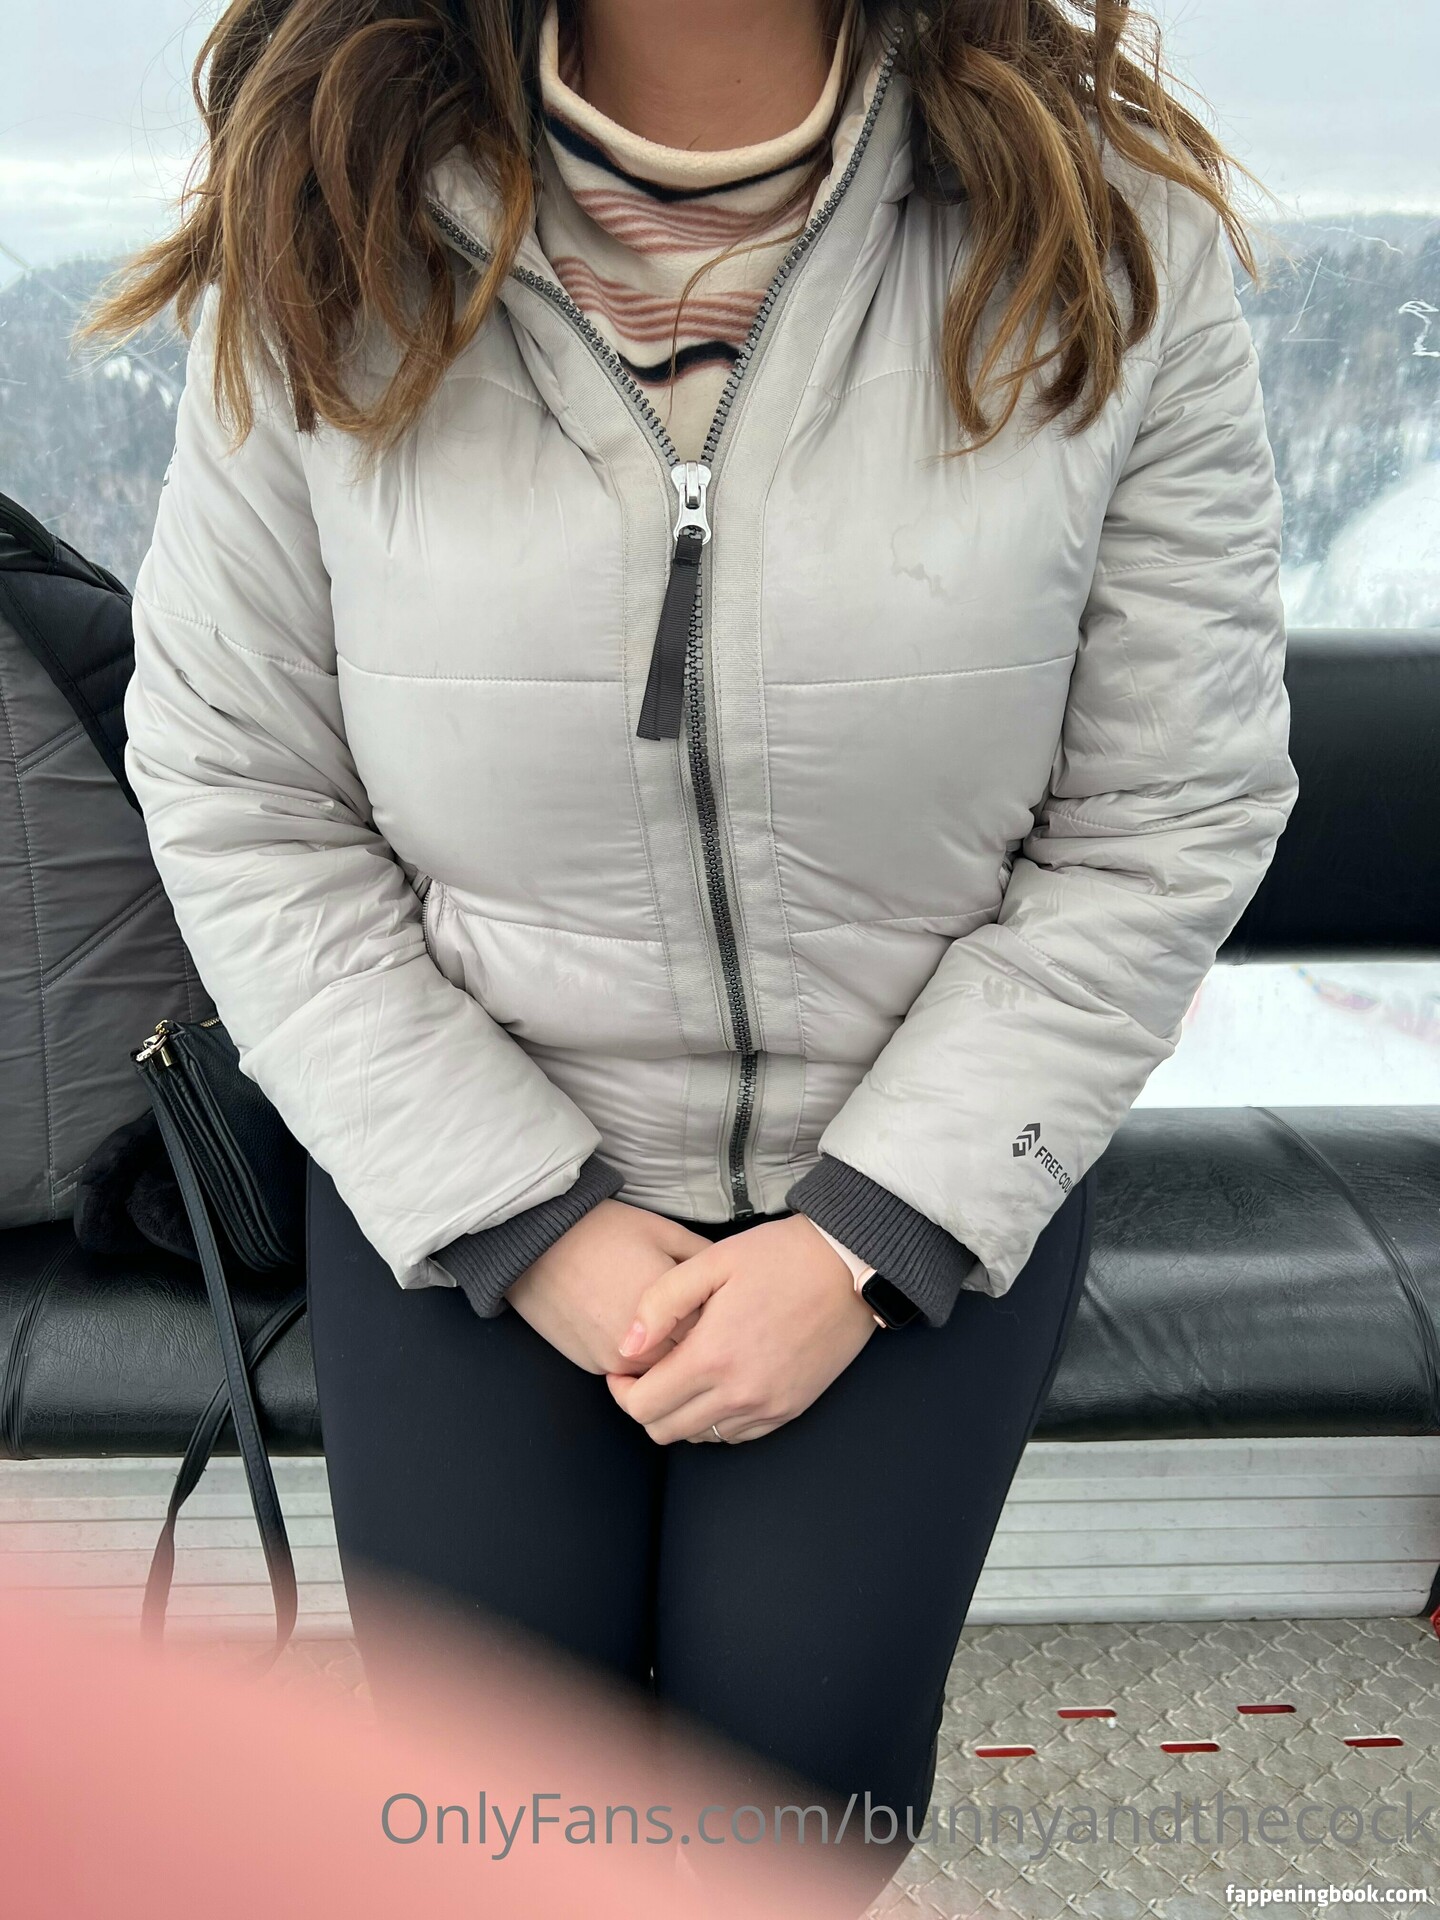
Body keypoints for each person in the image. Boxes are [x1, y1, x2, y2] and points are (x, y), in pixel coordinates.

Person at [90, 0, 1298, 1902]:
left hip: (909, 1158)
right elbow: (244, 793)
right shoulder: (330, 221)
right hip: (469, 1157)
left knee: (794, 1809)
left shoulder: (1096, 224)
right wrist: (525, 1218)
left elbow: (1167, 809)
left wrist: (864, 1238)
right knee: (496, 1816)